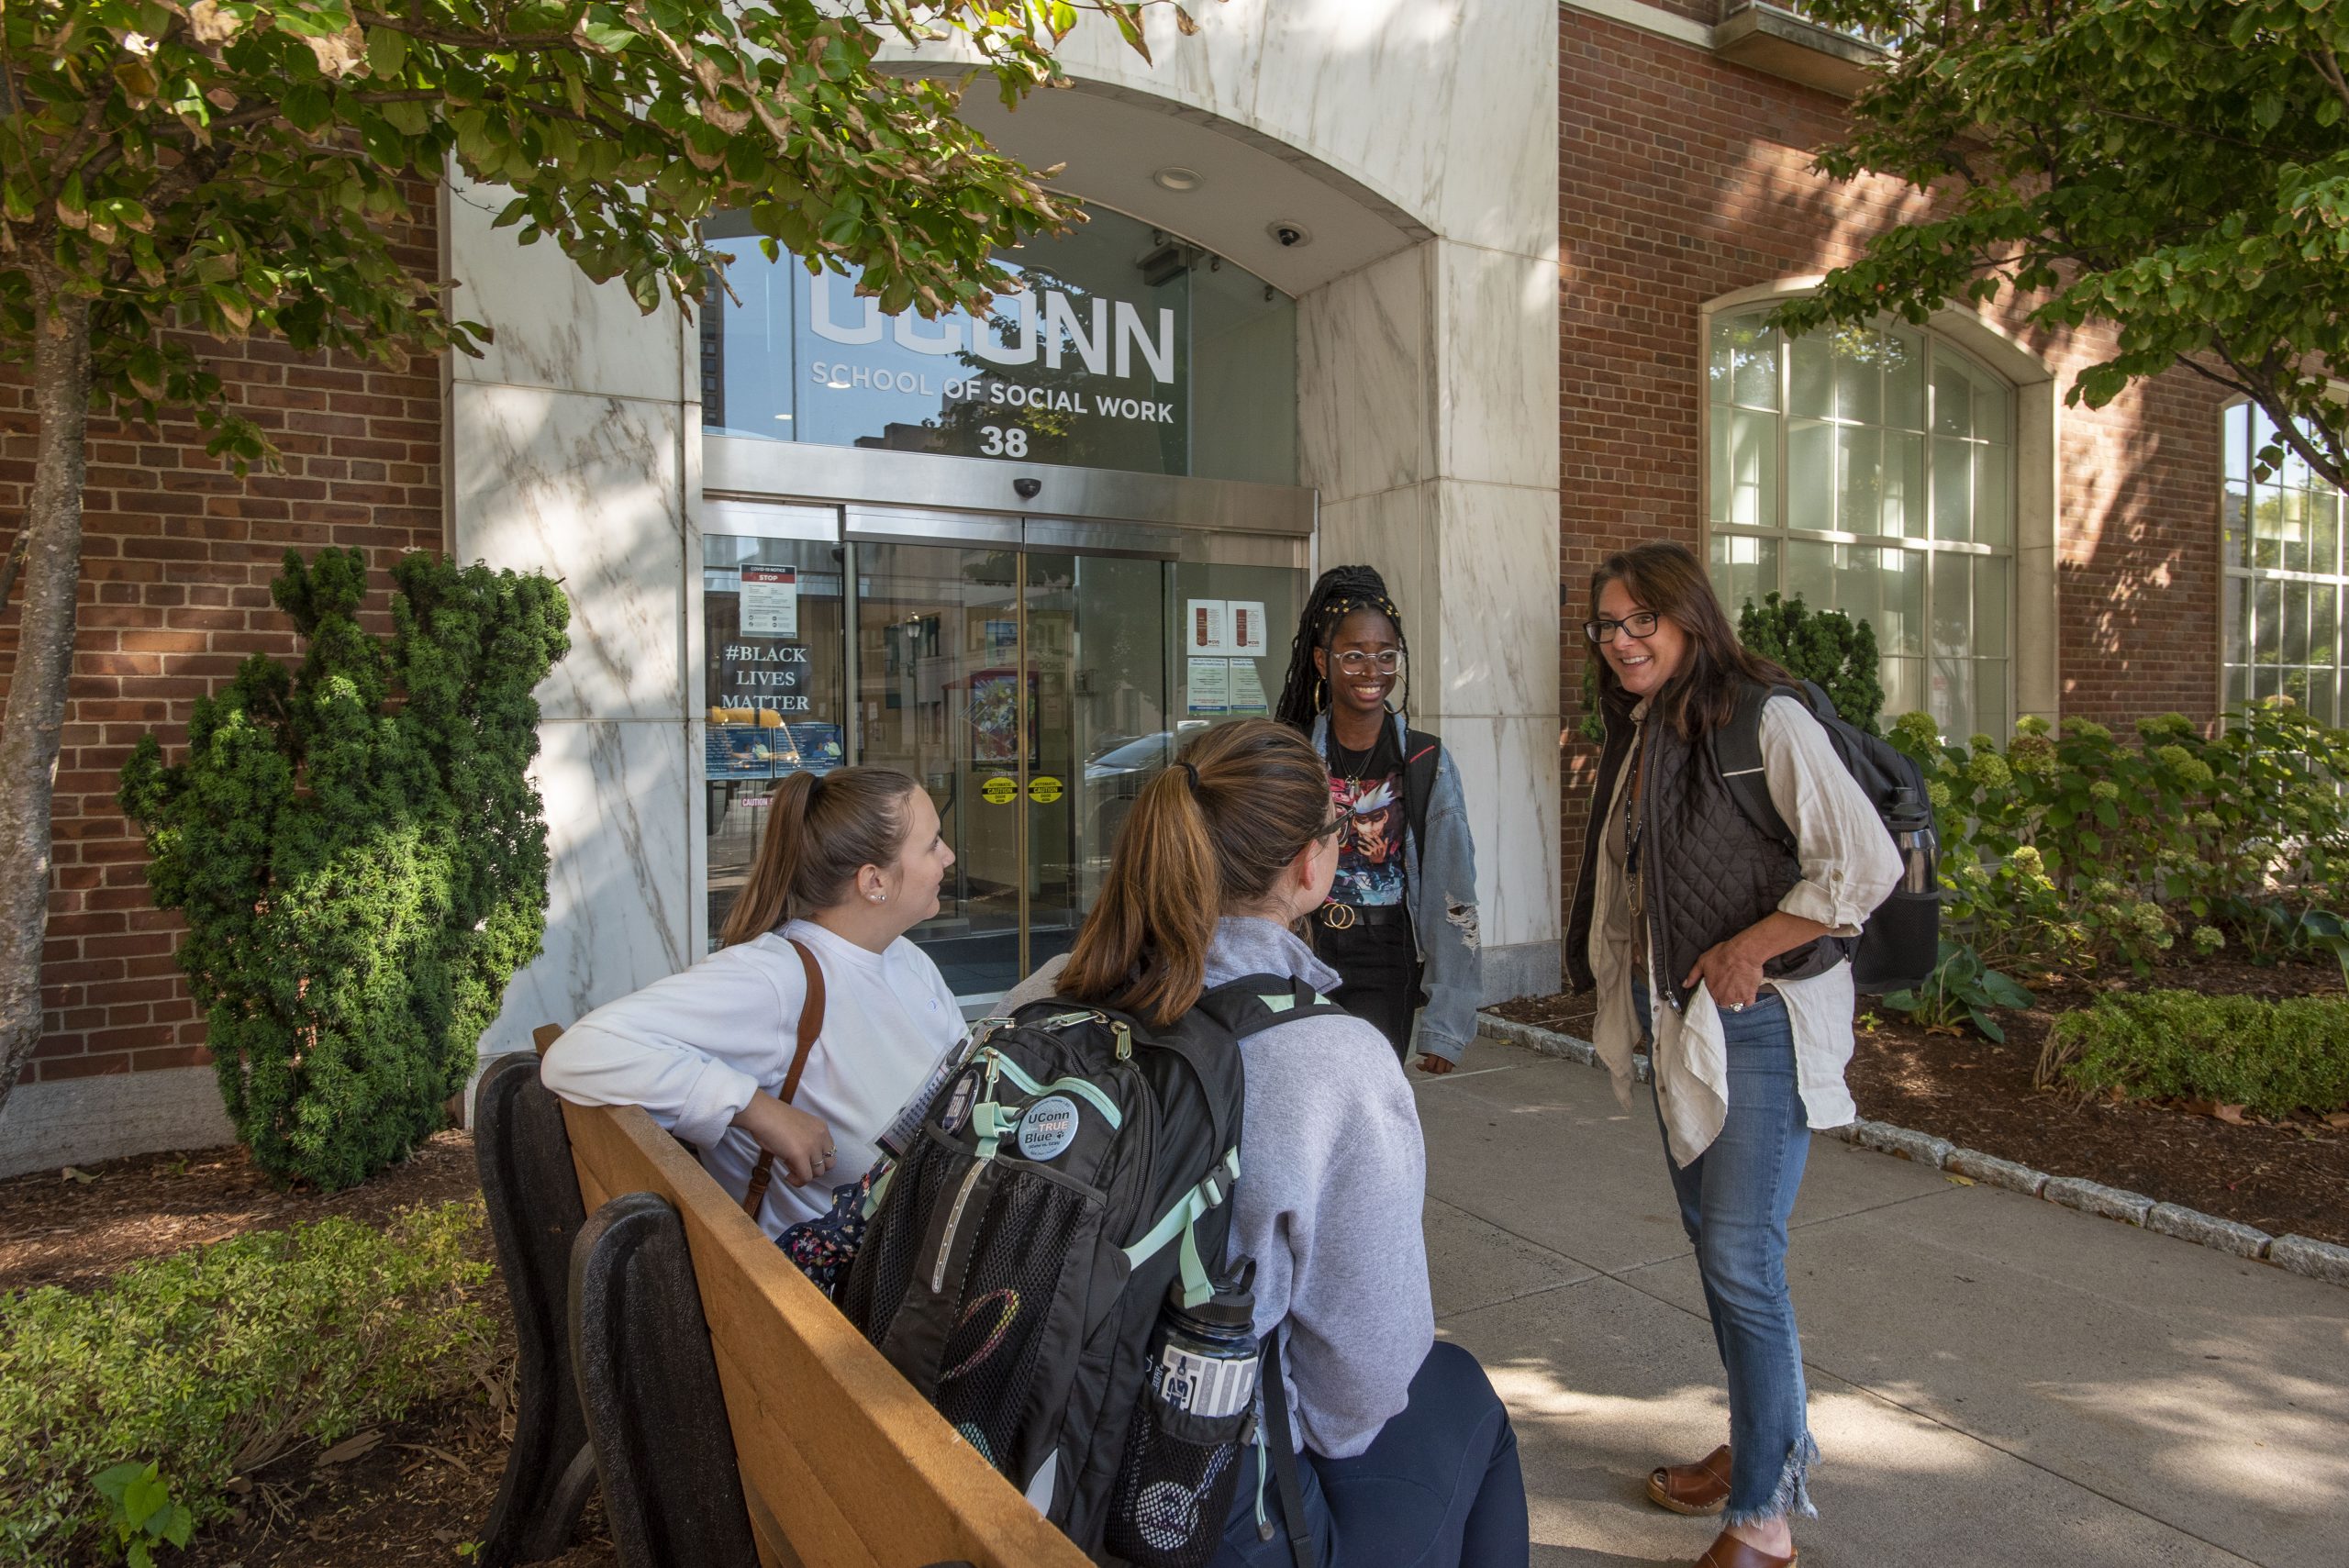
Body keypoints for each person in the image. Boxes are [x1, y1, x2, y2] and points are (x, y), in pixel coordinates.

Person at [1006, 718, 1527, 1568]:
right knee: (1459, 1394)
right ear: (1310, 866)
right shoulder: (1334, 1060)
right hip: (1190, 1510)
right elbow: (1359, 1387)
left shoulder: (1046, 995)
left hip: (1019, 1445)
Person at [1564, 542, 1900, 1568]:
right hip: (1684, 1027)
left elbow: (1864, 864)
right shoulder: (1647, 728)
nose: (1622, 641)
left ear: (1689, 618)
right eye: (1606, 626)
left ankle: (1762, 1515)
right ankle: (1762, 1441)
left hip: (1761, 1024)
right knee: (1718, 1249)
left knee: (1739, 1259)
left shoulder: (1768, 718)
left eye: (1640, 621)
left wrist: (1750, 946)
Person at [540, 766, 962, 1239]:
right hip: (835, 1292)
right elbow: (577, 1054)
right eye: (932, 844)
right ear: (873, 881)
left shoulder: (904, 957)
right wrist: (755, 1109)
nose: (948, 856)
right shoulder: (775, 979)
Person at [1271, 566, 1481, 1075]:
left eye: (1386, 655)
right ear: (1323, 661)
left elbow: (1453, 890)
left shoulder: (1425, 760)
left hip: (1385, 959)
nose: (1372, 670)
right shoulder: (1291, 753)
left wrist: (1447, 1020)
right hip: (1300, 950)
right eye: (1355, 655)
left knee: (1367, 1097)